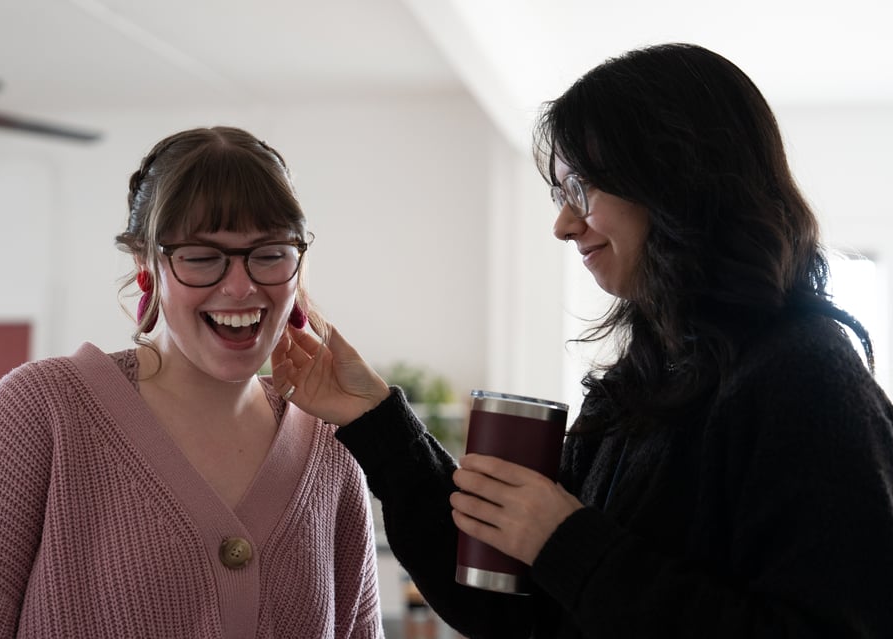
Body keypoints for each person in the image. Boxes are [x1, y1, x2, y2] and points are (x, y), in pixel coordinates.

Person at [270, 44, 893, 638]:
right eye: (559, 193)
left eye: (581, 190)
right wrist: (374, 419)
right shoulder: (640, 385)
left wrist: (564, 540)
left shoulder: (808, 379)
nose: (563, 225)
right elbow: (502, 608)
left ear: (674, 181)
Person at [0, 126, 383, 638]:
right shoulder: (40, 413)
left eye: (270, 252)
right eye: (200, 256)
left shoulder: (331, 448)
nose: (241, 286)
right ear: (146, 265)